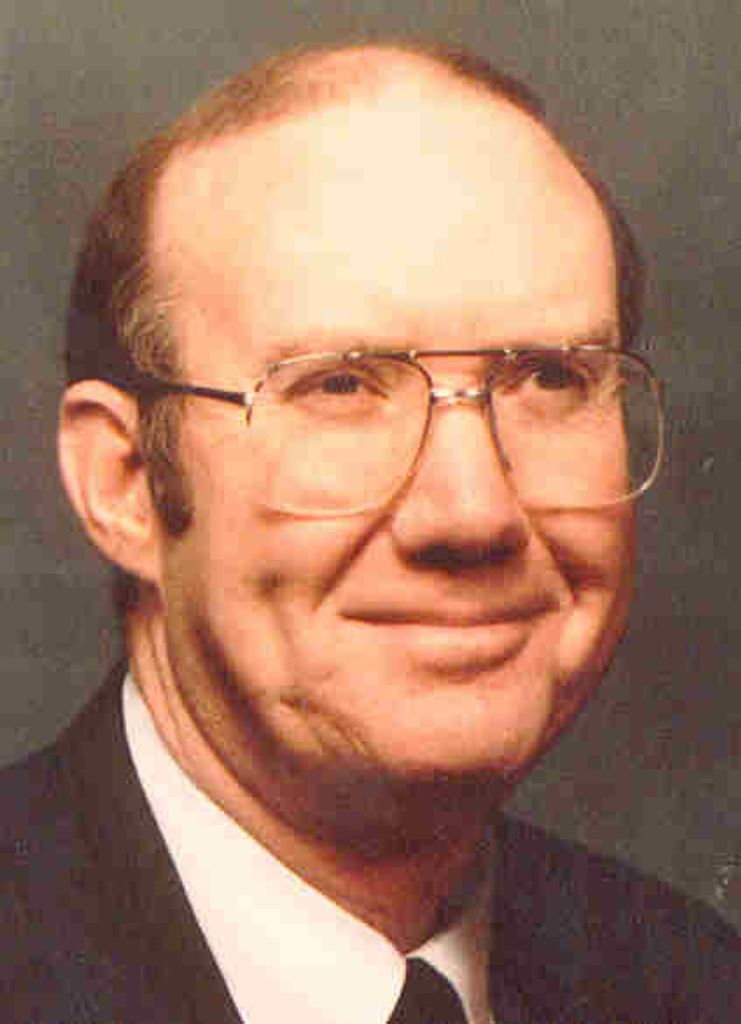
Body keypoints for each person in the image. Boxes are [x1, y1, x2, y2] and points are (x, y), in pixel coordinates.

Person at [1, 40, 737, 1023]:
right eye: (341, 386)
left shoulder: (698, 983)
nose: (473, 511)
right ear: (125, 483)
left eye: (548, 377)